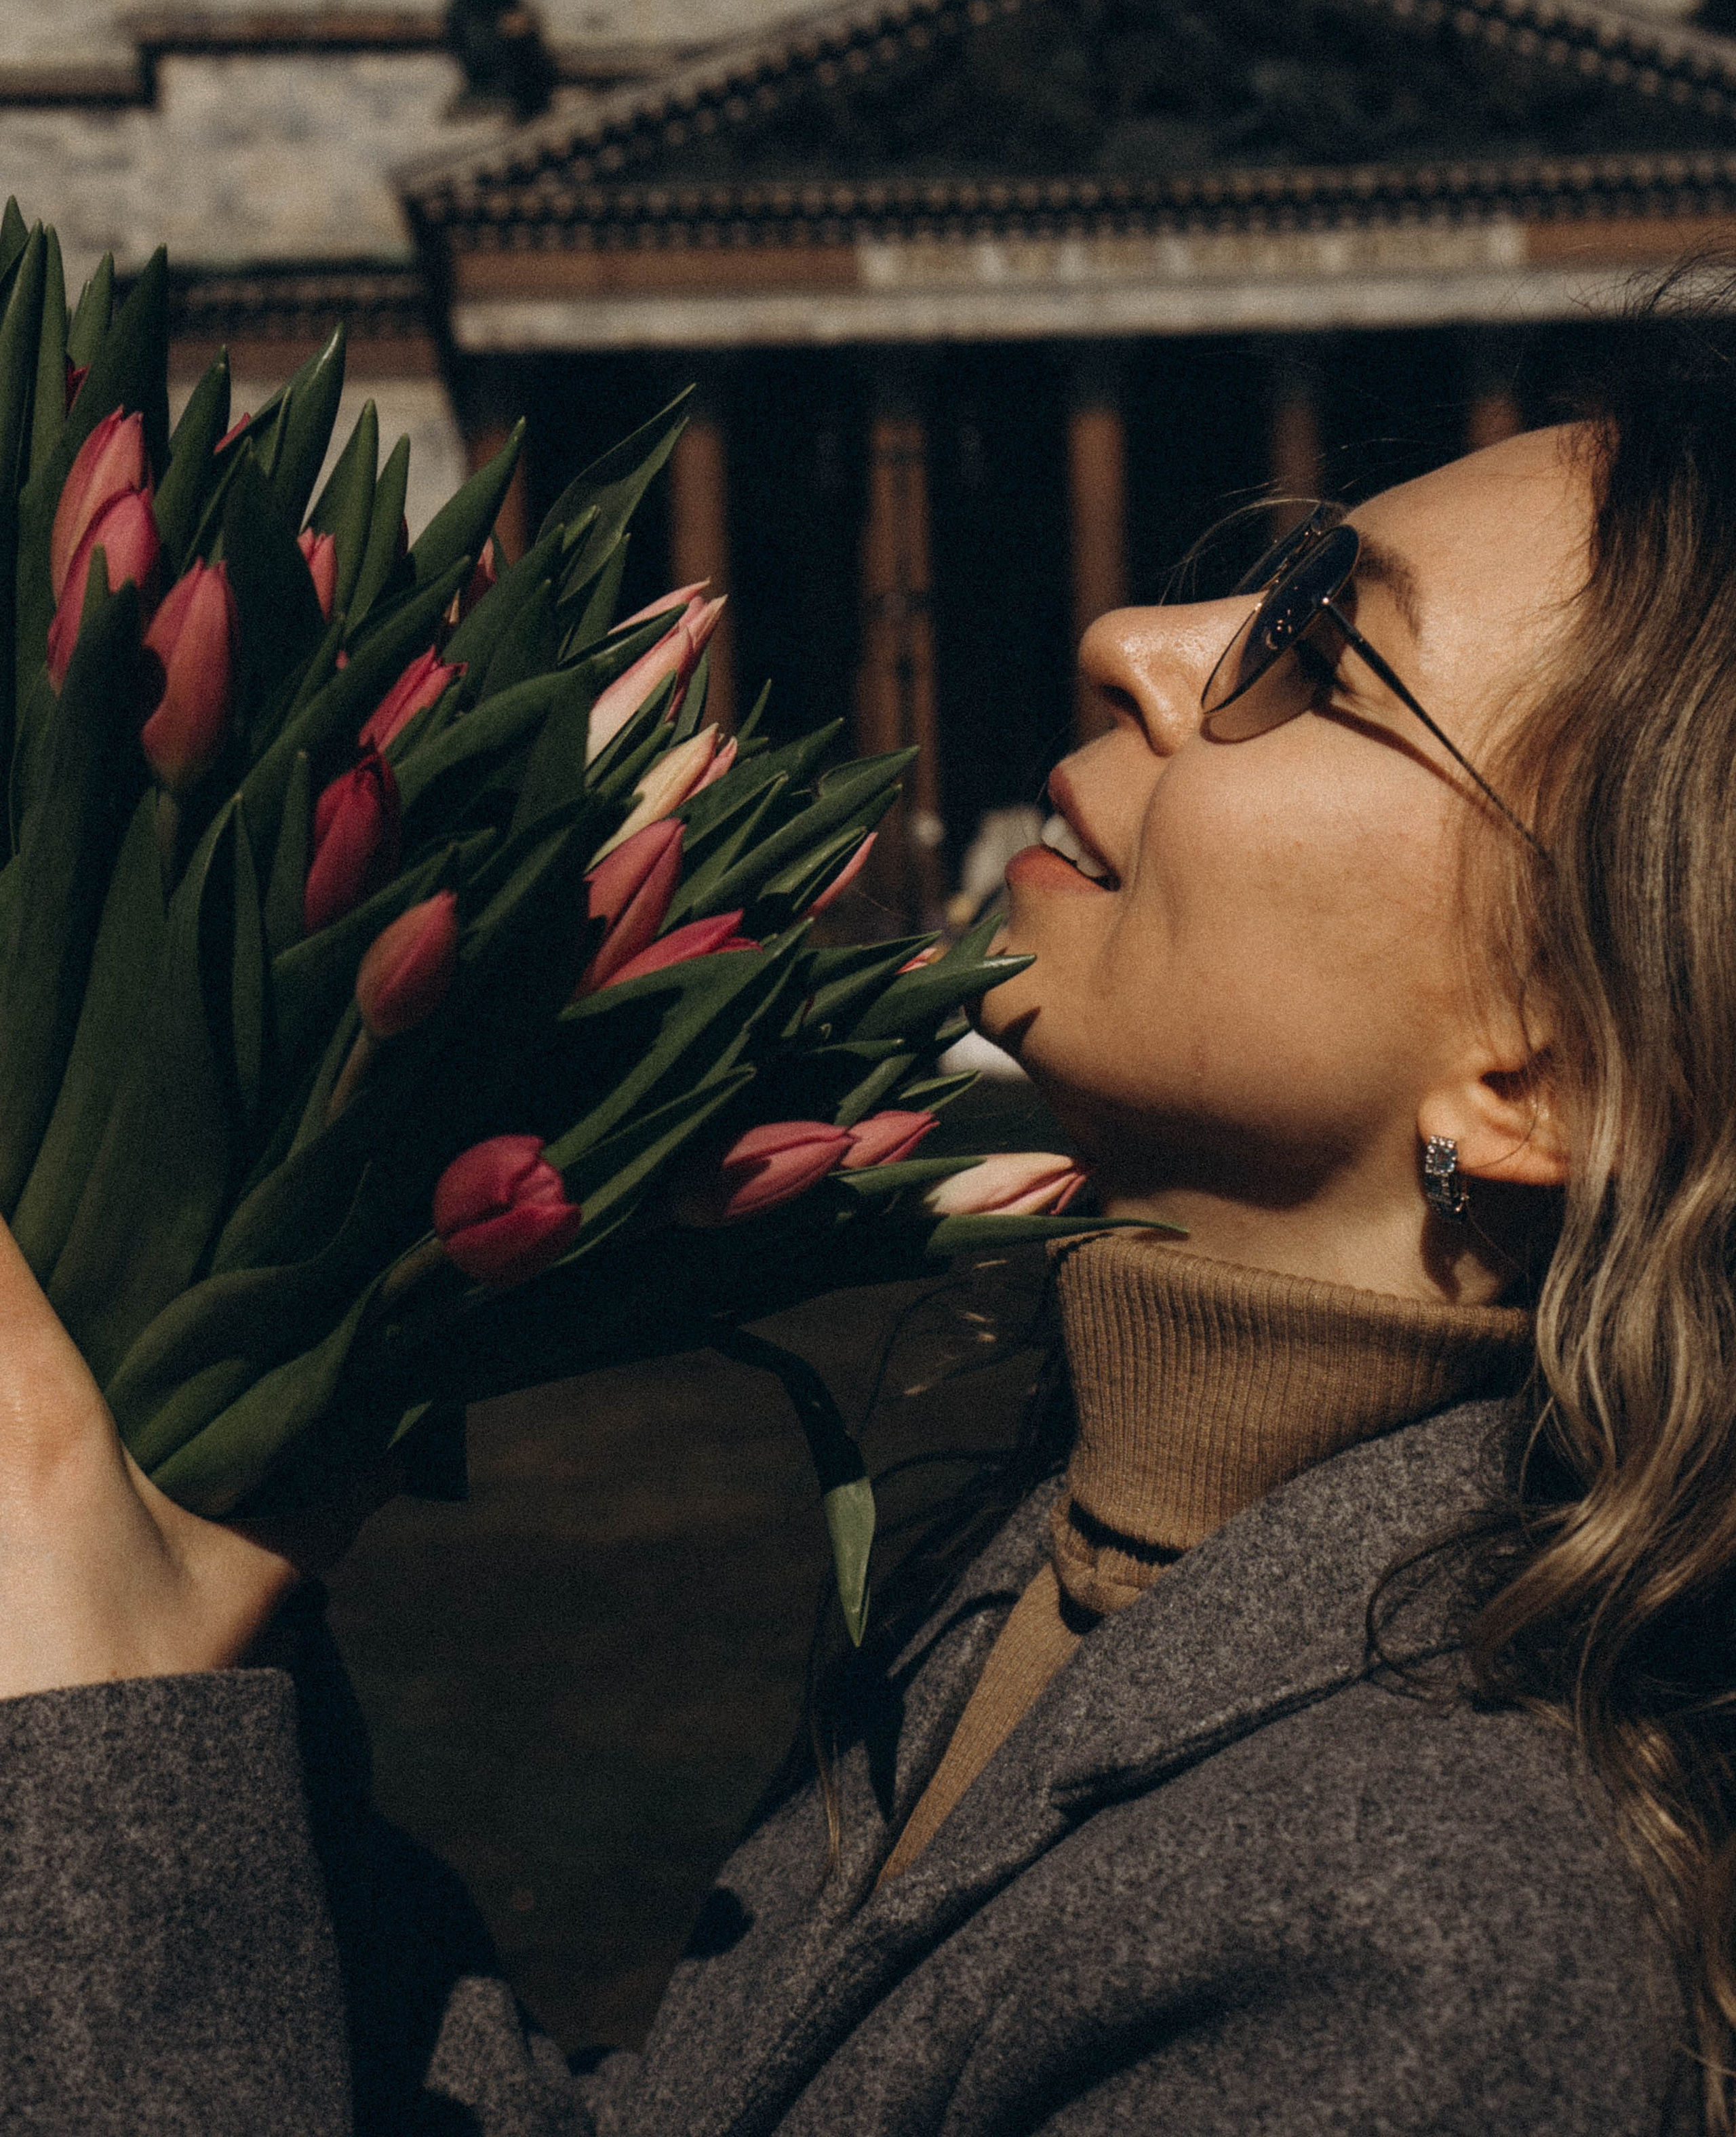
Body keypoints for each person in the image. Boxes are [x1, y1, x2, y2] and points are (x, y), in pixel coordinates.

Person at [3, 340, 1732, 2135]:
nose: (1133, 633)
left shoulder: (1431, 1939)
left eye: (1315, 659)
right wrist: (177, 1677)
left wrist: (91, 1729)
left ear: (1552, 1075)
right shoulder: (1087, 1553)